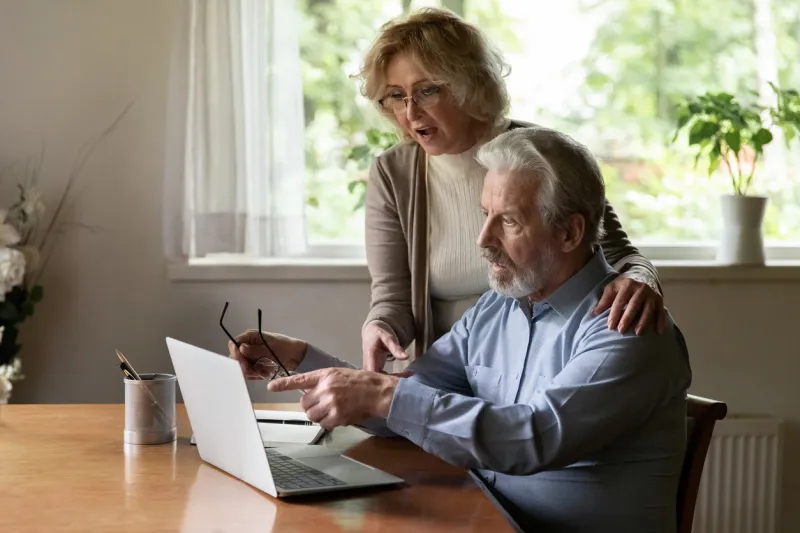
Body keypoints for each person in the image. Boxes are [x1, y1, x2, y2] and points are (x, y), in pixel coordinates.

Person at [230, 127, 692, 532]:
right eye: (483, 214)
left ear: (570, 233)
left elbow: (535, 437)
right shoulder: (496, 309)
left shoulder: (627, 326)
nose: (483, 239)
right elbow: (404, 404)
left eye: (507, 221)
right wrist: (299, 358)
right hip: (483, 518)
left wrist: (384, 395)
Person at [355, 8, 667, 373]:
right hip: (445, 374)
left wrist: (641, 279)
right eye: (395, 96)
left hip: (541, 367)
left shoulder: (542, 154)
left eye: (426, 91)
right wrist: (380, 327)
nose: (410, 112)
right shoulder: (393, 172)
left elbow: (621, 257)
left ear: (468, 84)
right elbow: (392, 298)